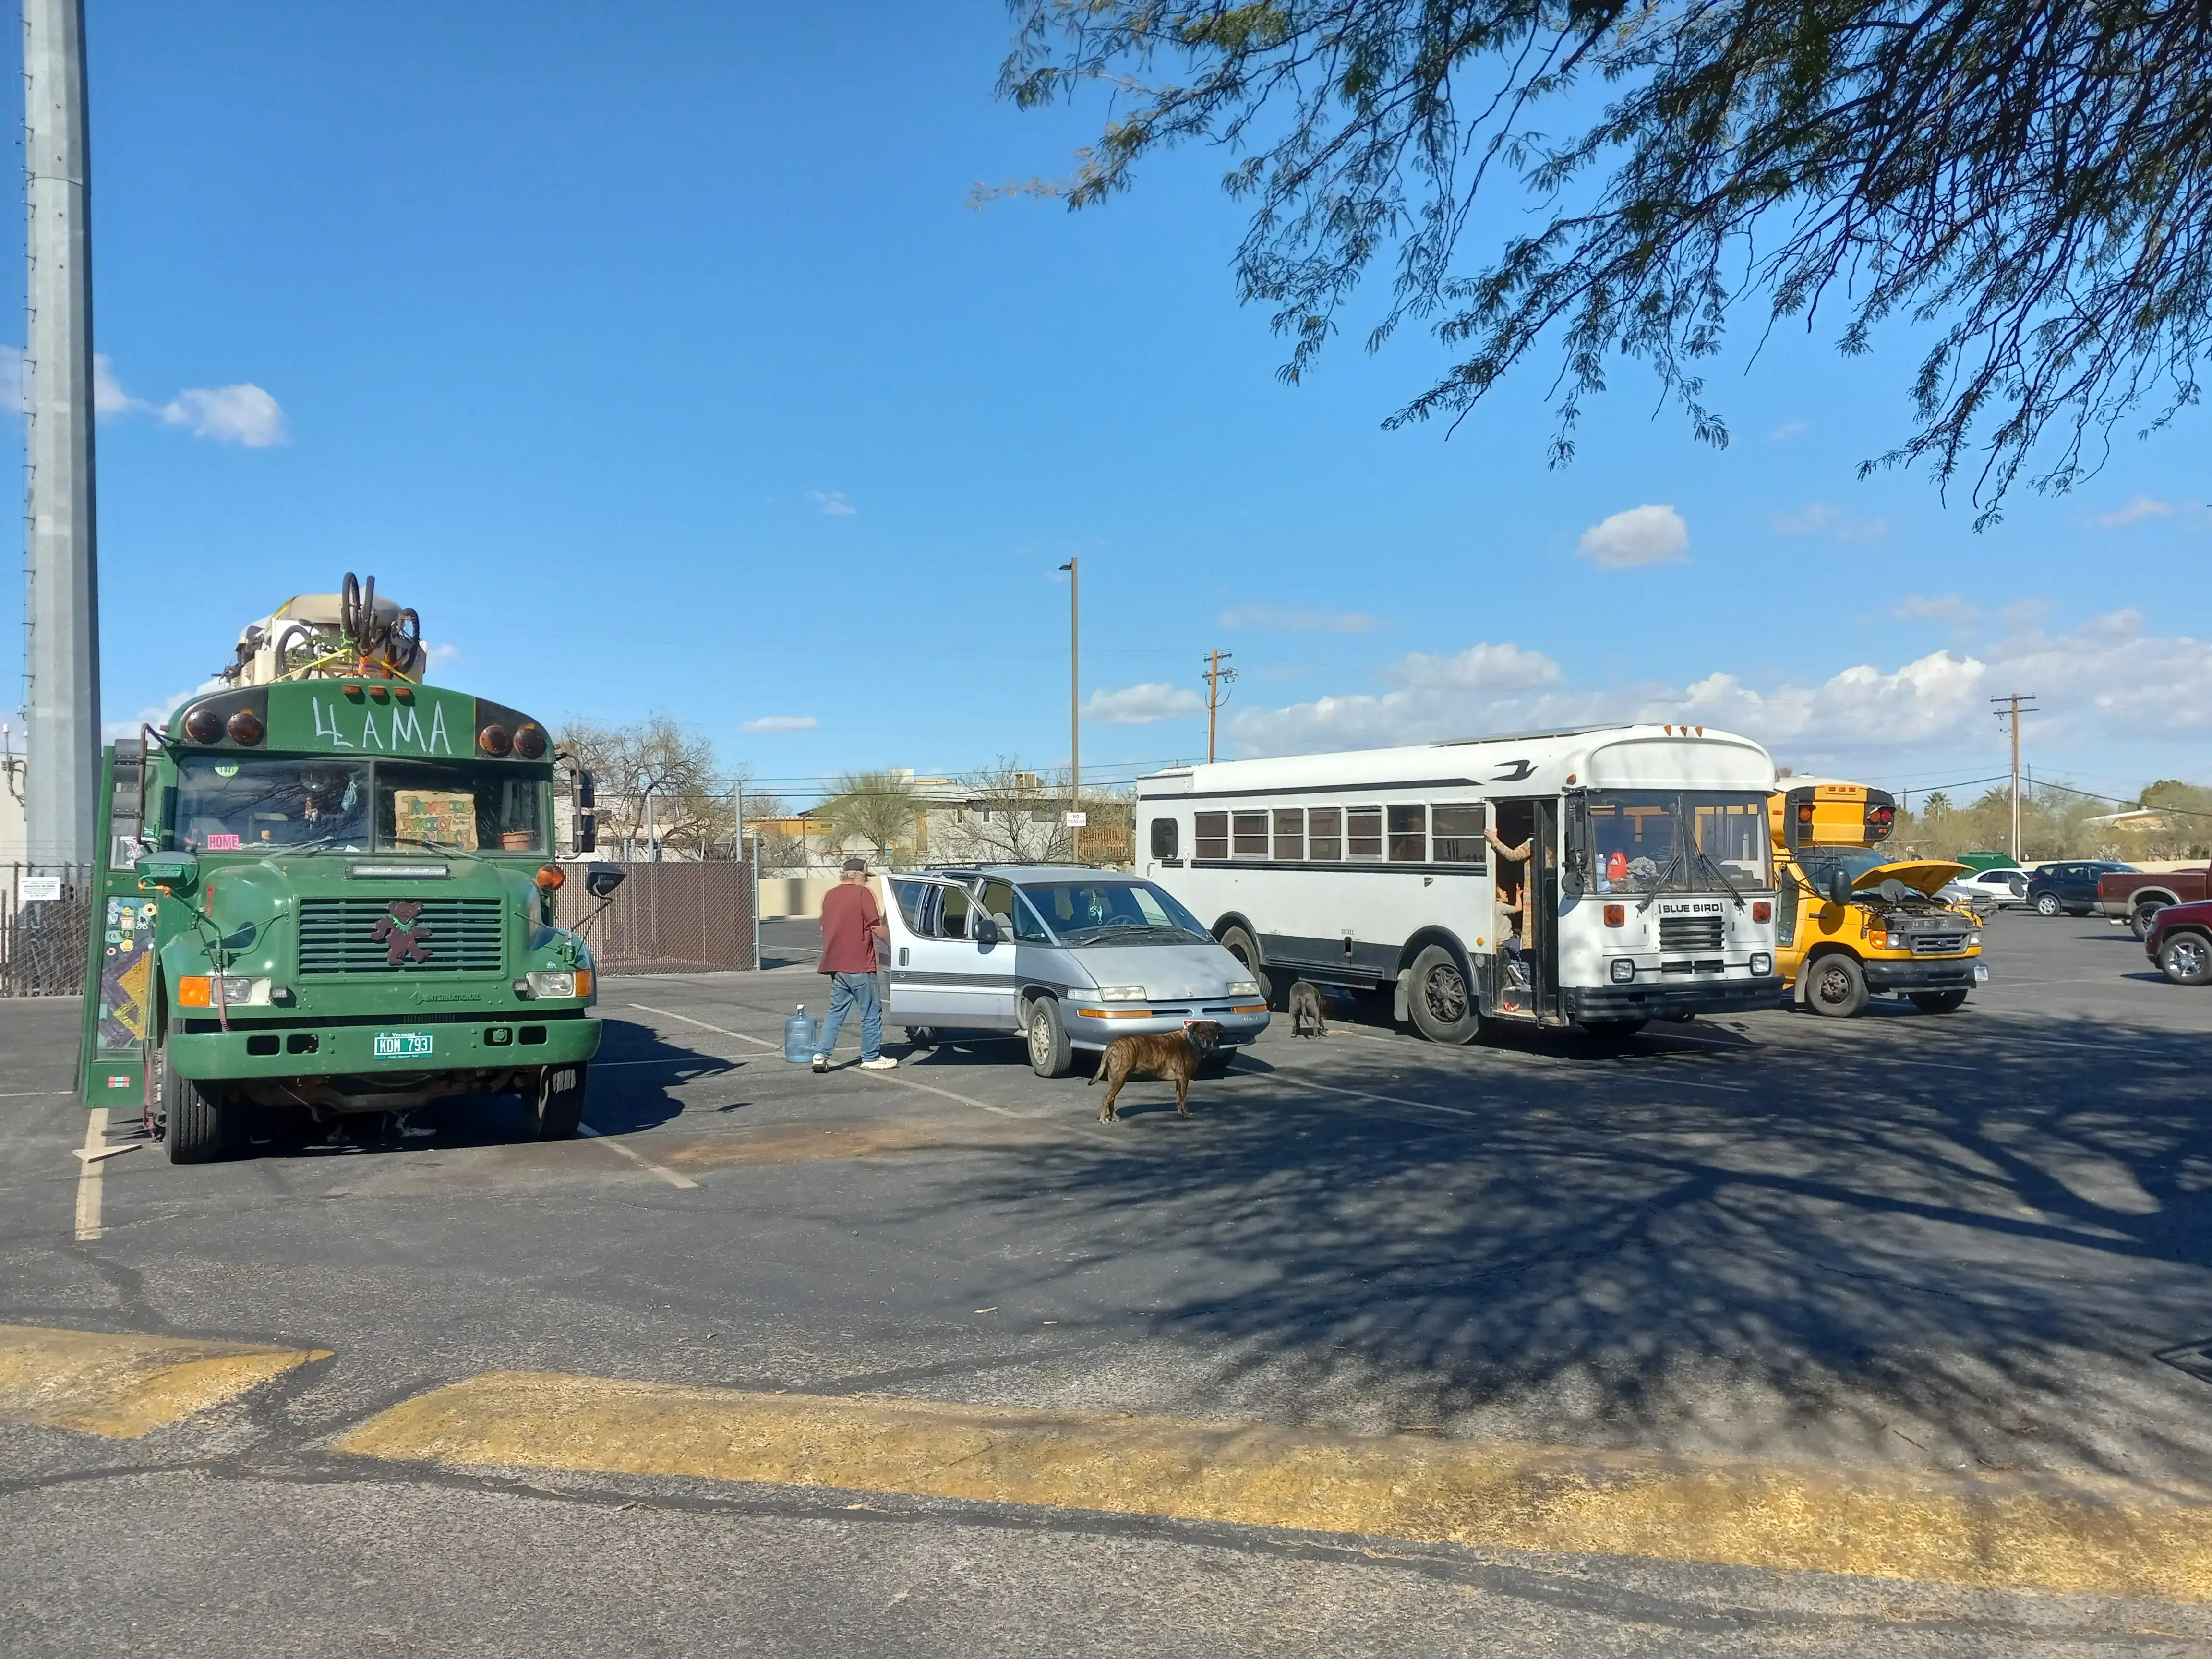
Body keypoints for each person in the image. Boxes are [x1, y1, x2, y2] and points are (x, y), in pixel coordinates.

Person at [814, 855, 896, 1072]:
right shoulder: (863, 894)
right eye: (866, 877)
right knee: (871, 1012)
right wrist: (898, 944)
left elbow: (824, 927)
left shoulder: (829, 895)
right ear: (858, 874)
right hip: (860, 963)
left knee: (836, 1011)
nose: (867, 881)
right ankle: (871, 1057)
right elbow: (875, 926)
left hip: (836, 964)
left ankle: (820, 1054)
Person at [1487, 824, 1533, 989]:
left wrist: (1495, 840)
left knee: (1521, 945)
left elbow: (1513, 856)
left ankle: (1520, 973)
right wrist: (1495, 840)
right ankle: (1526, 977)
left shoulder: (1532, 843)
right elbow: (1513, 856)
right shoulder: (1539, 843)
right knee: (1521, 945)